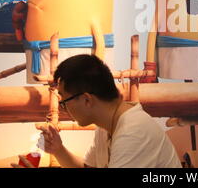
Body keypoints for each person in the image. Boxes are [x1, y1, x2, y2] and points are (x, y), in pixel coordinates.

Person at [12, 54, 182, 168]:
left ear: (87, 99)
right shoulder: (106, 125)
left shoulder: (133, 133)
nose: (64, 108)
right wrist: (59, 150)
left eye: (65, 100)